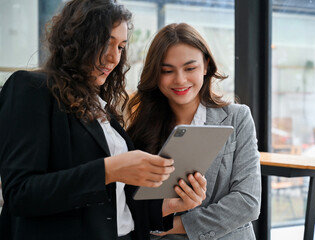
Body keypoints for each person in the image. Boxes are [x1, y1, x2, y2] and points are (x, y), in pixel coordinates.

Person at [0, 2, 207, 240]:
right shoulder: (31, 89)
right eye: (106, 42)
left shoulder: (100, 107)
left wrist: (169, 205)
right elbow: (20, 193)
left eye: (120, 47)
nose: (114, 57)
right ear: (77, 38)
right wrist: (110, 170)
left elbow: (117, 207)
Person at [126, 23, 261, 240]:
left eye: (190, 68)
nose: (180, 80)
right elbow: (131, 206)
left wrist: (168, 226)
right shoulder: (141, 131)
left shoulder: (237, 118)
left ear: (206, 66)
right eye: (167, 71)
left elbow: (247, 203)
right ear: (155, 74)